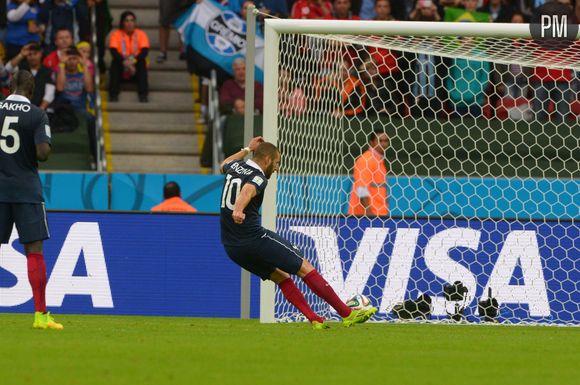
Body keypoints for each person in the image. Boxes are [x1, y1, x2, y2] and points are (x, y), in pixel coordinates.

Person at [220, 136, 377, 329]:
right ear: (268, 159)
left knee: (281, 277)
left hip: (231, 246)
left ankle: (314, 319)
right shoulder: (259, 176)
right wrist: (239, 209)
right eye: (277, 163)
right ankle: (347, 313)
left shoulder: (236, 167)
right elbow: (247, 191)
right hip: (253, 238)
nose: (277, 168)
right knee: (305, 267)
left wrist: (247, 148)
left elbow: (224, 164)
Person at [0, 70, 63, 330]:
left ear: (10, 85)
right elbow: (43, 153)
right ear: (32, 88)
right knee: (34, 251)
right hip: (26, 190)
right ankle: (40, 316)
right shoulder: (37, 114)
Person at [108, 11, 150, 103]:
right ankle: (113, 94)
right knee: (114, 63)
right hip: (122, 65)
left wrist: (132, 61)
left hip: (135, 64)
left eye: (132, 20)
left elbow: (144, 52)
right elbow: (113, 51)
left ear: (135, 22)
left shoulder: (141, 34)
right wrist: (125, 62)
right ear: (122, 23)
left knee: (142, 62)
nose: (129, 23)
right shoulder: (116, 34)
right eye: (126, 21)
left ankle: (143, 95)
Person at [348, 130, 389, 216]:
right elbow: (361, 189)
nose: (384, 144)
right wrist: (369, 215)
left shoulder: (379, 161)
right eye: (380, 141)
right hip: (365, 216)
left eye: (386, 141)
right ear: (372, 143)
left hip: (379, 214)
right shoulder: (366, 160)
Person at [6, 43, 55, 110]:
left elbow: (49, 94)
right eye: (29, 54)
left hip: (40, 109)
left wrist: (39, 110)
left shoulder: (47, 71)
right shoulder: (22, 67)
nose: (32, 57)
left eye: (35, 54)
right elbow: (7, 69)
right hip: (20, 107)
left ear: (40, 54)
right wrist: (21, 55)